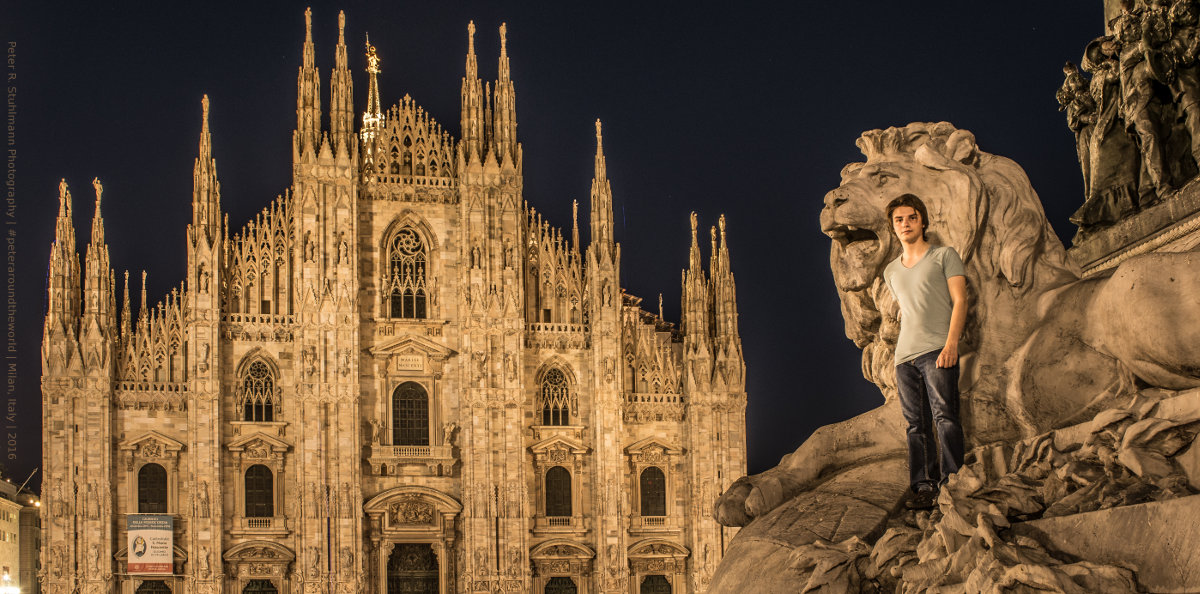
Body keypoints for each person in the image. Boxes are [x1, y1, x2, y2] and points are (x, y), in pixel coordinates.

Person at [883, 194, 968, 510]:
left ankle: (952, 482)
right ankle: (923, 487)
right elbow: (906, 305)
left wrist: (952, 344)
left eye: (910, 218)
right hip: (904, 358)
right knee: (916, 426)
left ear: (922, 221)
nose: (905, 224)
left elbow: (960, 300)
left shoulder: (944, 256)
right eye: (899, 220)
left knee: (945, 416)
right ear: (893, 227)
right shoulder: (891, 271)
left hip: (937, 349)